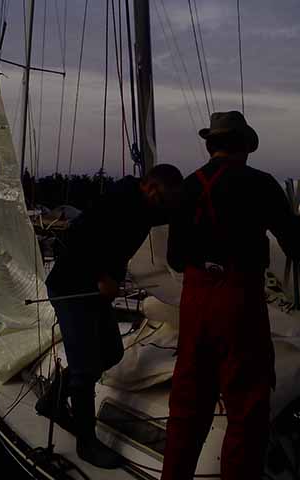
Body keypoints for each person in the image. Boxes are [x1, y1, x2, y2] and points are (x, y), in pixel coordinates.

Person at [162, 111, 300, 480]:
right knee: (246, 410)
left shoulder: (186, 187)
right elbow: (298, 246)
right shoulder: (260, 184)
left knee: (187, 407)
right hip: (239, 300)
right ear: (244, 146)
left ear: (211, 144)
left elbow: (175, 259)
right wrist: (298, 223)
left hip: (195, 301)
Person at [40, 164, 183, 469]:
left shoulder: (148, 207)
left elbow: (171, 214)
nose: (165, 207)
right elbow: (76, 238)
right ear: (151, 188)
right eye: (164, 199)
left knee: (111, 352)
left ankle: (52, 399)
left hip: (95, 291)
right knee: (85, 367)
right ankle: (86, 443)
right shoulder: (118, 200)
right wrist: (102, 276)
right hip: (71, 286)